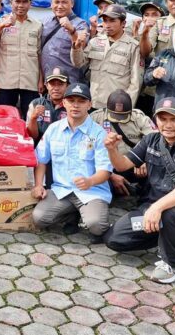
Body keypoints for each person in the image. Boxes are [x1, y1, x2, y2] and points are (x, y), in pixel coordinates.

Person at [104, 97, 175, 284]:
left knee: (168, 213)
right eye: (163, 119)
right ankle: (164, 236)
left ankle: (171, 264)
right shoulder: (151, 140)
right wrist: (112, 150)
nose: (168, 125)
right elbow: (123, 165)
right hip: (154, 208)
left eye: (174, 119)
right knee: (114, 239)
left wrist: (156, 208)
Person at [32, 83, 112, 242]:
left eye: (81, 101)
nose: (75, 105)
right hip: (62, 190)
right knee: (39, 219)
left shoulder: (99, 133)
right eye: (71, 100)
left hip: (92, 191)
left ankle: (86, 213)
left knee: (96, 226)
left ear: (89, 105)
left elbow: (106, 171)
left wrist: (90, 181)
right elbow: (41, 160)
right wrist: (38, 185)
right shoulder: (53, 129)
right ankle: (72, 212)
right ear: (64, 103)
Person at [0, 0, 43, 117]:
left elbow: (39, 53)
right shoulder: (1, 22)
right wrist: (2, 26)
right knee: (4, 118)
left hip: (30, 81)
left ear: (30, 4)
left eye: (24, 2)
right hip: (6, 81)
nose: (20, 5)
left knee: (31, 117)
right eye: (17, 1)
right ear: (11, 3)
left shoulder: (37, 25)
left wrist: (40, 79)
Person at [71, 4, 142, 108]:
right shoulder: (95, 42)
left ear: (123, 23)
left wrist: (126, 106)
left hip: (116, 106)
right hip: (94, 103)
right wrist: (76, 47)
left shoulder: (132, 46)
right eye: (105, 20)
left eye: (112, 21)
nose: (107, 25)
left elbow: (135, 82)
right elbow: (78, 63)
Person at [90, 89, 155, 197]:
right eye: (115, 115)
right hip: (106, 166)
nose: (119, 120)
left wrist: (145, 160)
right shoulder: (95, 118)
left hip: (134, 164)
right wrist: (110, 175)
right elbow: (87, 151)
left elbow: (155, 139)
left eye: (123, 116)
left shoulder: (139, 118)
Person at [41, 0, 89, 84]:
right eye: (57, 2)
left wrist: (72, 30)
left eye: (64, 2)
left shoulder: (80, 24)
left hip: (68, 83)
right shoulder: (45, 22)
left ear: (72, 4)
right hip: (48, 82)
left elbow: (80, 48)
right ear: (51, 4)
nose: (60, 6)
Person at [26, 67, 69, 142]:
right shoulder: (35, 104)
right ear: (46, 85)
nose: (56, 88)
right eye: (52, 84)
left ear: (67, 85)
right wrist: (33, 118)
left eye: (60, 84)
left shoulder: (72, 106)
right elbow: (32, 137)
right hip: (39, 149)